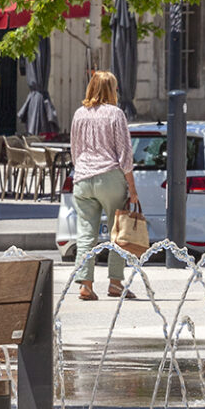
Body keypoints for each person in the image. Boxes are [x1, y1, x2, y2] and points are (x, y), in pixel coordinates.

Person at [69, 69, 139, 301]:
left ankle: (86, 285)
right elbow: (125, 155)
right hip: (109, 176)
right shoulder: (115, 114)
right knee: (116, 231)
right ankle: (115, 283)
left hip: (82, 177)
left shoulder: (79, 114)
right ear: (111, 90)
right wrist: (133, 189)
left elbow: (74, 150)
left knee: (86, 232)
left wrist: (82, 169)